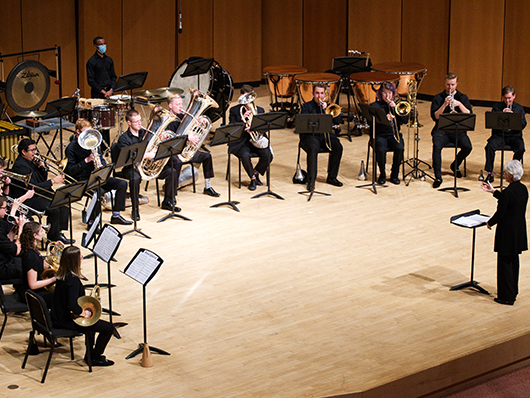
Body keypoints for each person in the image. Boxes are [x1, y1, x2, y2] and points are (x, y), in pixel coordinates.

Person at [51, 245, 114, 366]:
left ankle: (90, 356)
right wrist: (82, 312)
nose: (82, 257)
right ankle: (95, 356)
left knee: (91, 326)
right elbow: (72, 305)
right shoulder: (72, 280)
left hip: (56, 316)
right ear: (74, 261)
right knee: (108, 328)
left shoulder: (62, 275)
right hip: (64, 321)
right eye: (80, 257)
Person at [65, 118, 132, 226]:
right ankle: (92, 221)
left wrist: (102, 165)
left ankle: (116, 215)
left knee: (122, 184)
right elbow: (71, 171)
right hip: (82, 179)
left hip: (97, 176)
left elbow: (101, 158)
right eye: (85, 132)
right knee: (99, 192)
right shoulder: (71, 148)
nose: (88, 135)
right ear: (78, 132)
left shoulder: (92, 142)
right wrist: (86, 160)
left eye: (89, 132)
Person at [117, 109, 182, 215]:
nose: (139, 124)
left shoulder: (145, 133)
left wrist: (161, 142)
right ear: (129, 123)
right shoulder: (124, 139)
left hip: (147, 166)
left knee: (172, 171)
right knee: (135, 179)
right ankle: (135, 209)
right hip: (131, 167)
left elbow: (155, 147)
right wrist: (146, 155)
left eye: (140, 120)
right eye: (136, 122)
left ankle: (168, 201)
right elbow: (128, 158)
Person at [481, 160, 528, 305]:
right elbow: (510, 201)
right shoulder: (522, 189)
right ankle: (512, 291)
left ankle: (506, 296)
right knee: (514, 263)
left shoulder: (508, 192)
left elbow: (500, 212)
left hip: (507, 233)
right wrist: (494, 192)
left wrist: (490, 223)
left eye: (505, 173)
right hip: (518, 231)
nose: (504, 175)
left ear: (510, 175)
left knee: (505, 265)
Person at [9, 139, 72, 244]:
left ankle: (58, 232)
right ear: (23, 152)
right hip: (28, 198)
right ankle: (53, 237)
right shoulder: (20, 166)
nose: (35, 152)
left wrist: (42, 168)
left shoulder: (31, 161)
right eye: (32, 150)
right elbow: (33, 188)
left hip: (38, 193)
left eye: (35, 149)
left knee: (63, 201)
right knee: (54, 209)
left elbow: (41, 180)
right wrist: (52, 181)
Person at [166, 94, 220, 197]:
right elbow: (170, 140)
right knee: (177, 162)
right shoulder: (167, 120)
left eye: (181, 104)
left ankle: (208, 187)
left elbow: (191, 130)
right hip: (173, 153)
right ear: (170, 105)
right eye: (177, 104)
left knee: (207, 156)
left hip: (185, 151)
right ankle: (172, 192)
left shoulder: (182, 117)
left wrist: (198, 123)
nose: (181, 107)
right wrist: (187, 137)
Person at [430, 73, 473, 188]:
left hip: (458, 130)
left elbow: (469, 114)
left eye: (452, 85)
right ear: (445, 84)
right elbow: (435, 117)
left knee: (468, 147)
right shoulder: (438, 98)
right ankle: (438, 176)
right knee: (436, 146)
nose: (450, 87)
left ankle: (455, 165)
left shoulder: (463, 97)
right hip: (441, 130)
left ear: (456, 84)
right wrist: (444, 105)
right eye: (448, 84)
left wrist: (459, 104)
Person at [300, 84, 343, 191]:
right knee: (313, 148)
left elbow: (337, 122)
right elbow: (302, 125)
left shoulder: (329, 106)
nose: (319, 96)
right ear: (313, 94)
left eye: (322, 93)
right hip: (310, 136)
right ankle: (311, 179)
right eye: (317, 93)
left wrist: (326, 111)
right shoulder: (307, 107)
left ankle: (332, 177)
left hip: (325, 135)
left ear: (325, 94)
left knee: (338, 147)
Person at [229, 85, 273, 190]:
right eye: (246, 96)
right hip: (241, 142)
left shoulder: (260, 110)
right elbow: (231, 129)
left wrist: (255, 128)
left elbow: (264, 128)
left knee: (268, 155)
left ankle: (255, 172)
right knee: (245, 155)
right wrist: (242, 119)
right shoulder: (234, 110)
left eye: (251, 96)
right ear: (241, 96)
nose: (248, 100)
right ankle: (253, 178)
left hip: (256, 140)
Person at [484, 86, 526, 183]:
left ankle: (513, 170)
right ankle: (490, 173)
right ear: (503, 97)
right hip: (499, 135)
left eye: (510, 98)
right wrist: (501, 115)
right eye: (506, 98)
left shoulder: (519, 108)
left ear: (514, 96)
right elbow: (491, 123)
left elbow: (523, 124)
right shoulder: (497, 107)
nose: (508, 101)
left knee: (521, 148)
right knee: (489, 146)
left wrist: (513, 118)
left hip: (514, 135)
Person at [369, 82, 407, 185]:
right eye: (385, 93)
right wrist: (384, 119)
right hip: (379, 135)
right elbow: (370, 123)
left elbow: (405, 120)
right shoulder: (375, 106)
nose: (387, 96)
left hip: (393, 134)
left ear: (393, 93)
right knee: (381, 149)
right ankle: (382, 174)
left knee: (400, 147)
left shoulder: (398, 105)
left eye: (389, 93)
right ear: (380, 93)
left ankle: (394, 174)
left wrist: (395, 109)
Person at [19, 221, 55, 307]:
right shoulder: (30, 256)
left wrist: (54, 252)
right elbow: (33, 285)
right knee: (60, 298)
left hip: (35, 289)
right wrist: (53, 279)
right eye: (41, 231)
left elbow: (43, 266)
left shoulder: (32, 248)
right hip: (31, 294)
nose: (43, 233)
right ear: (35, 235)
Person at [0, 195, 26, 282]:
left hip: (4, 258)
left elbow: (8, 241)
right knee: (30, 264)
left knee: (28, 256)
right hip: (2, 268)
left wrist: (15, 227)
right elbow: (16, 251)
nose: (6, 210)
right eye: (4, 208)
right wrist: (21, 229)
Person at [86, 36, 116, 100]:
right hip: (97, 94)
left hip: (110, 92)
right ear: (95, 46)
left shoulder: (109, 60)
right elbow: (90, 80)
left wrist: (111, 90)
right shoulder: (91, 61)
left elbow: (113, 76)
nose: (103, 46)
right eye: (100, 44)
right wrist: (103, 92)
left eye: (104, 43)